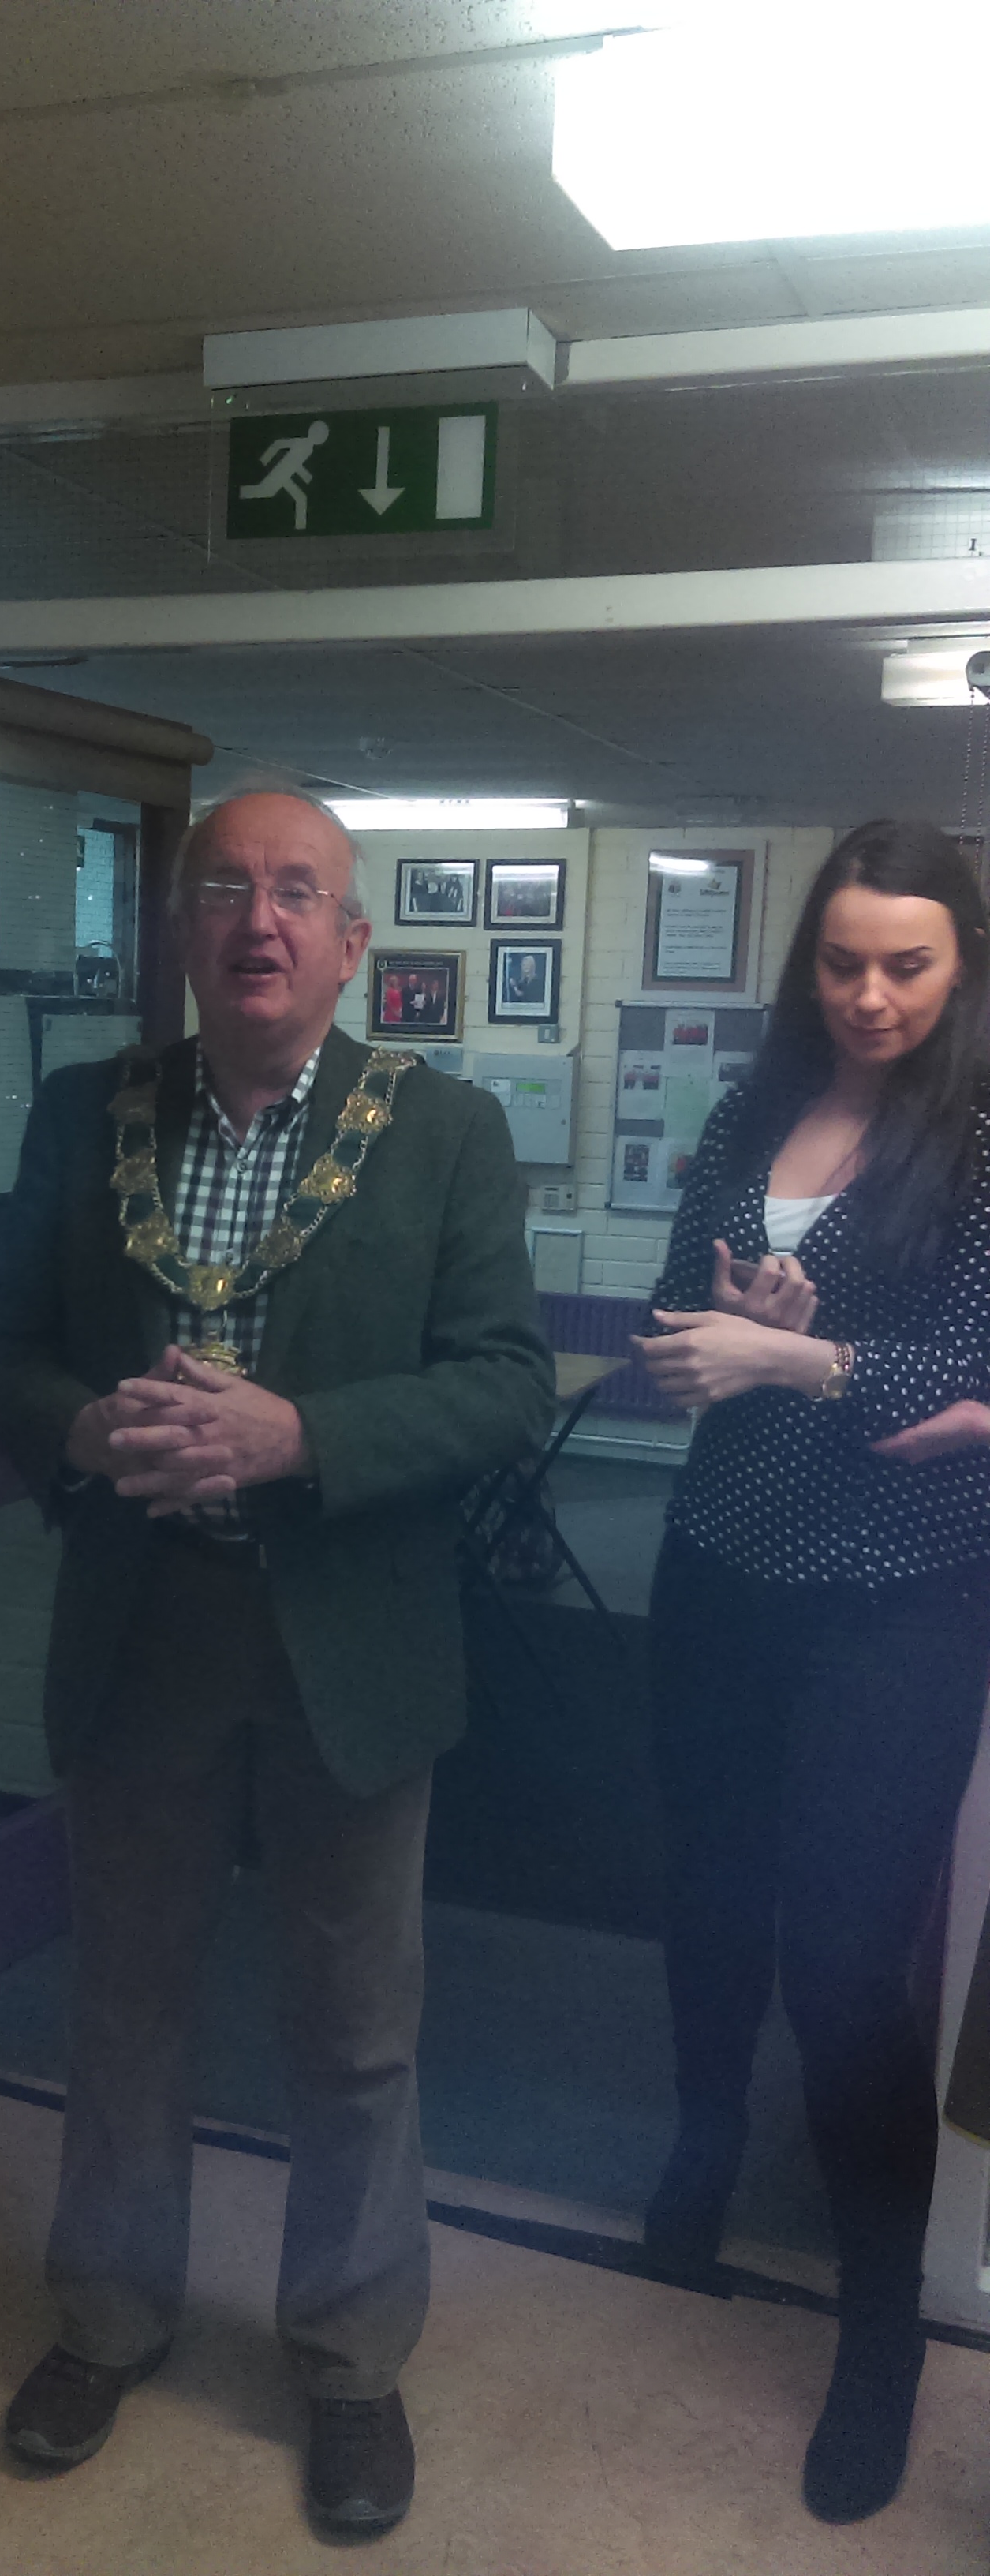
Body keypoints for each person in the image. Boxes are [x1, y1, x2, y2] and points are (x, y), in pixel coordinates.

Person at [0, 789, 553, 2536]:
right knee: (125, 2003)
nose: (260, 918)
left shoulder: (444, 1132)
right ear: (183, 932)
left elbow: (506, 1381)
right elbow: (6, 1355)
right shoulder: (85, 1114)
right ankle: (108, 2317)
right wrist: (86, 1434)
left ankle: (351, 2362)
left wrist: (304, 1437)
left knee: (356, 2026)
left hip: (348, 1644)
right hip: (145, 1627)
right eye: (225, 887)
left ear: (351, 943)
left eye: (299, 891)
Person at [633, 819, 990, 2528]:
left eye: (907, 965)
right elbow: (668, 1326)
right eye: (842, 961)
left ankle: (879, 2328)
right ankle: (700, 2160)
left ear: (964, 966)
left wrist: (798, 1355)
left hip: (897, 1606)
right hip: (719, 1571)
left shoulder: (981, 1141)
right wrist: (729, 1318)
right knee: (709, 1906)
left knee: (848, 1972)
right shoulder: (747, 1115)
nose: (870, 995)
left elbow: (963, 1377)